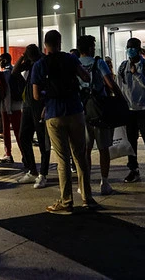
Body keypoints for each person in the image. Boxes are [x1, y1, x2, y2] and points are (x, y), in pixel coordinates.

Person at [32, 30, 97, 214]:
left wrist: (48, 93)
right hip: (75, 110)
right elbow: (86, 77)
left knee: (62, 159)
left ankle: (66, 201)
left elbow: (36, 95)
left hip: (54, 113)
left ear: (45, 45)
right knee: (80, 156)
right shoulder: (71, 59)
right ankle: (87, 198)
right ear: (60, 42)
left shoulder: (40, 65)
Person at [78, 35, 124, 196]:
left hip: (81, 110)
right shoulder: (99, 63)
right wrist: (120, 98)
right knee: (103, 148)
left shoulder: (75, 63)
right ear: (91, 47)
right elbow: (110, 83)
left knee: (85, 149)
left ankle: (84, 182)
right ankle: (104, 182)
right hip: (99, 110)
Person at [117, 37, 145, 188]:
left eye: (132, 47)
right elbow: (119, 86)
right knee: (130, 143)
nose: (130, 50)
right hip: (129, 111)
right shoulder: (123, 66)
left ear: (138, 48)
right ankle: (133, 170)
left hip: (144, 110)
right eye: (128, 47)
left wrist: (136, 74)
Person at [14, 44, 52, 188]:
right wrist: (23, 57)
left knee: (43, 141)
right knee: (23, 136)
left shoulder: (43, 62)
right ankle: (32, 170)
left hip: (40, 105)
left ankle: (43, 173)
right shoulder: (30, 63)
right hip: (28, 105)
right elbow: (15, 72)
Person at [0, 53, 23, 165]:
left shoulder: (5, 73)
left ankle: (8, 154)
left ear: (4, 60)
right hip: (17, 106)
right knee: (18, 132)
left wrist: (7, 109)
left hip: (7, 107)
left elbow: (7, 92)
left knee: (7, 132)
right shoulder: (16, 71)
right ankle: (25, 154)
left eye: (0, 60)